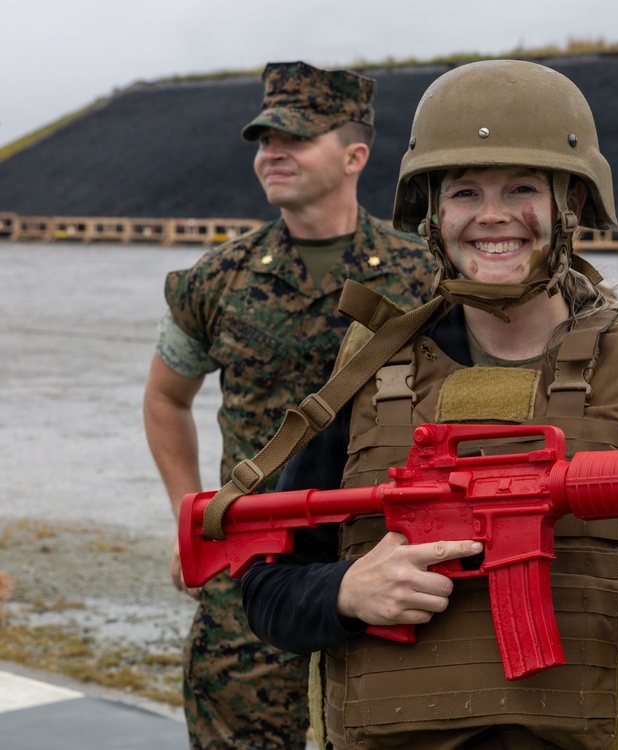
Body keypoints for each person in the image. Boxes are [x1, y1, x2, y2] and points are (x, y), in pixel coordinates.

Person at [241, 59, 618, 750]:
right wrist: (345, 592)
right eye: (465, 192)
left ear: (571, 206)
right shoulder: (368, 374)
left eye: (522, 188)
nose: (492, 217)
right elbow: (265, 593)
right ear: (434, 214)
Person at [143, 61, 437, 749]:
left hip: (388, 560)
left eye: (296, 138)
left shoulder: (425, 274)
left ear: (355, 154)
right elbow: (165, 398)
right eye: (263, 140)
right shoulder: (215, 281)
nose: (272, 153)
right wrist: (191, 516)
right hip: (253, 567)